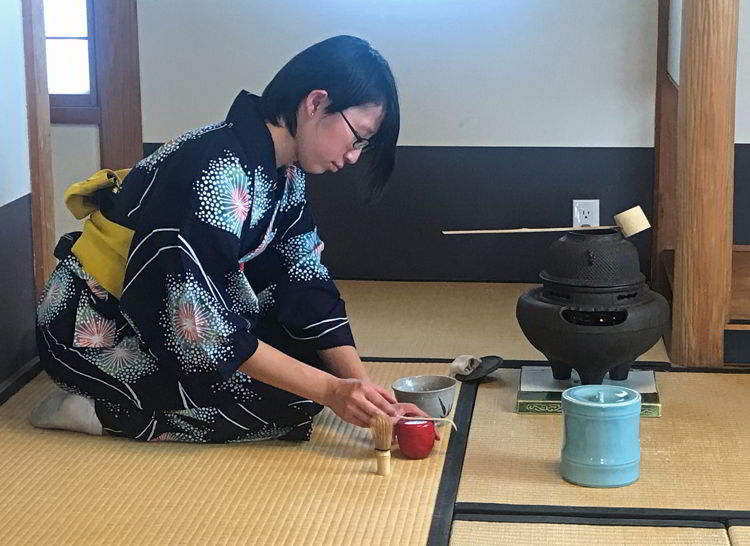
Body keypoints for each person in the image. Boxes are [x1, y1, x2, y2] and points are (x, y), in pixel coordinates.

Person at [31, 35, 427, 443]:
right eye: (357, 137)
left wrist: (370, 397)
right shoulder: (215, 169)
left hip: (160, 312)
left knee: (313, 367)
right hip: (94, 324)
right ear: (316, 103)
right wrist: (330, 391)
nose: (353, 156)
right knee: (287, 402)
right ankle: (99, 412)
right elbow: (198, 322)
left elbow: (303, 280)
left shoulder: (285, 173)